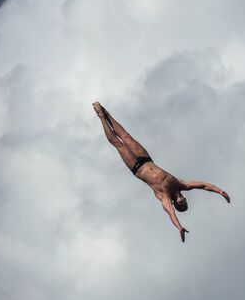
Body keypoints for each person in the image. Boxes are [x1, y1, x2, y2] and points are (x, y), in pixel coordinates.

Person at [93, 102, 230, 243]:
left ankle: (101, 117)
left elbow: (171, 214)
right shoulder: (182, 184)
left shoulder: (164, 196)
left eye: (182, 206)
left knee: (118, 143)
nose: (184, 202)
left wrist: (179, 227)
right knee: (126, 136)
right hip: (146, 159)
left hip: (136, 167)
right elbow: (203, 185)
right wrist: (220, 192)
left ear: (177, 205)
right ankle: (105, 111)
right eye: (186, 204)